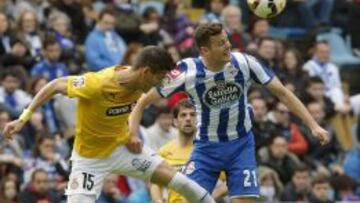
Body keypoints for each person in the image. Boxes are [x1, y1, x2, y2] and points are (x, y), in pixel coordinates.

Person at [129, 23, 329, 203]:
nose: (228, 46)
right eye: (221, 43)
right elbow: (142, 102)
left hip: (241, 145)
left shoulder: (245, 63)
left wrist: (313, 125)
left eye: (227, 40)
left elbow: (283, 93)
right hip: (206, 148)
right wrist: (132, 133)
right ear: (205, 50)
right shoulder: (186, 71)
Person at [2, 46, 216, 203]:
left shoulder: (139, 86)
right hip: (89, 159)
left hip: (122, 149)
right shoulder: (97, 84)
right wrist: (23, 118)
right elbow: (55, 85)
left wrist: (132, 133)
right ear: (146, 73)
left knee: (182, 182)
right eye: (159, 78)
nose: (160, 85)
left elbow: (138, 106)